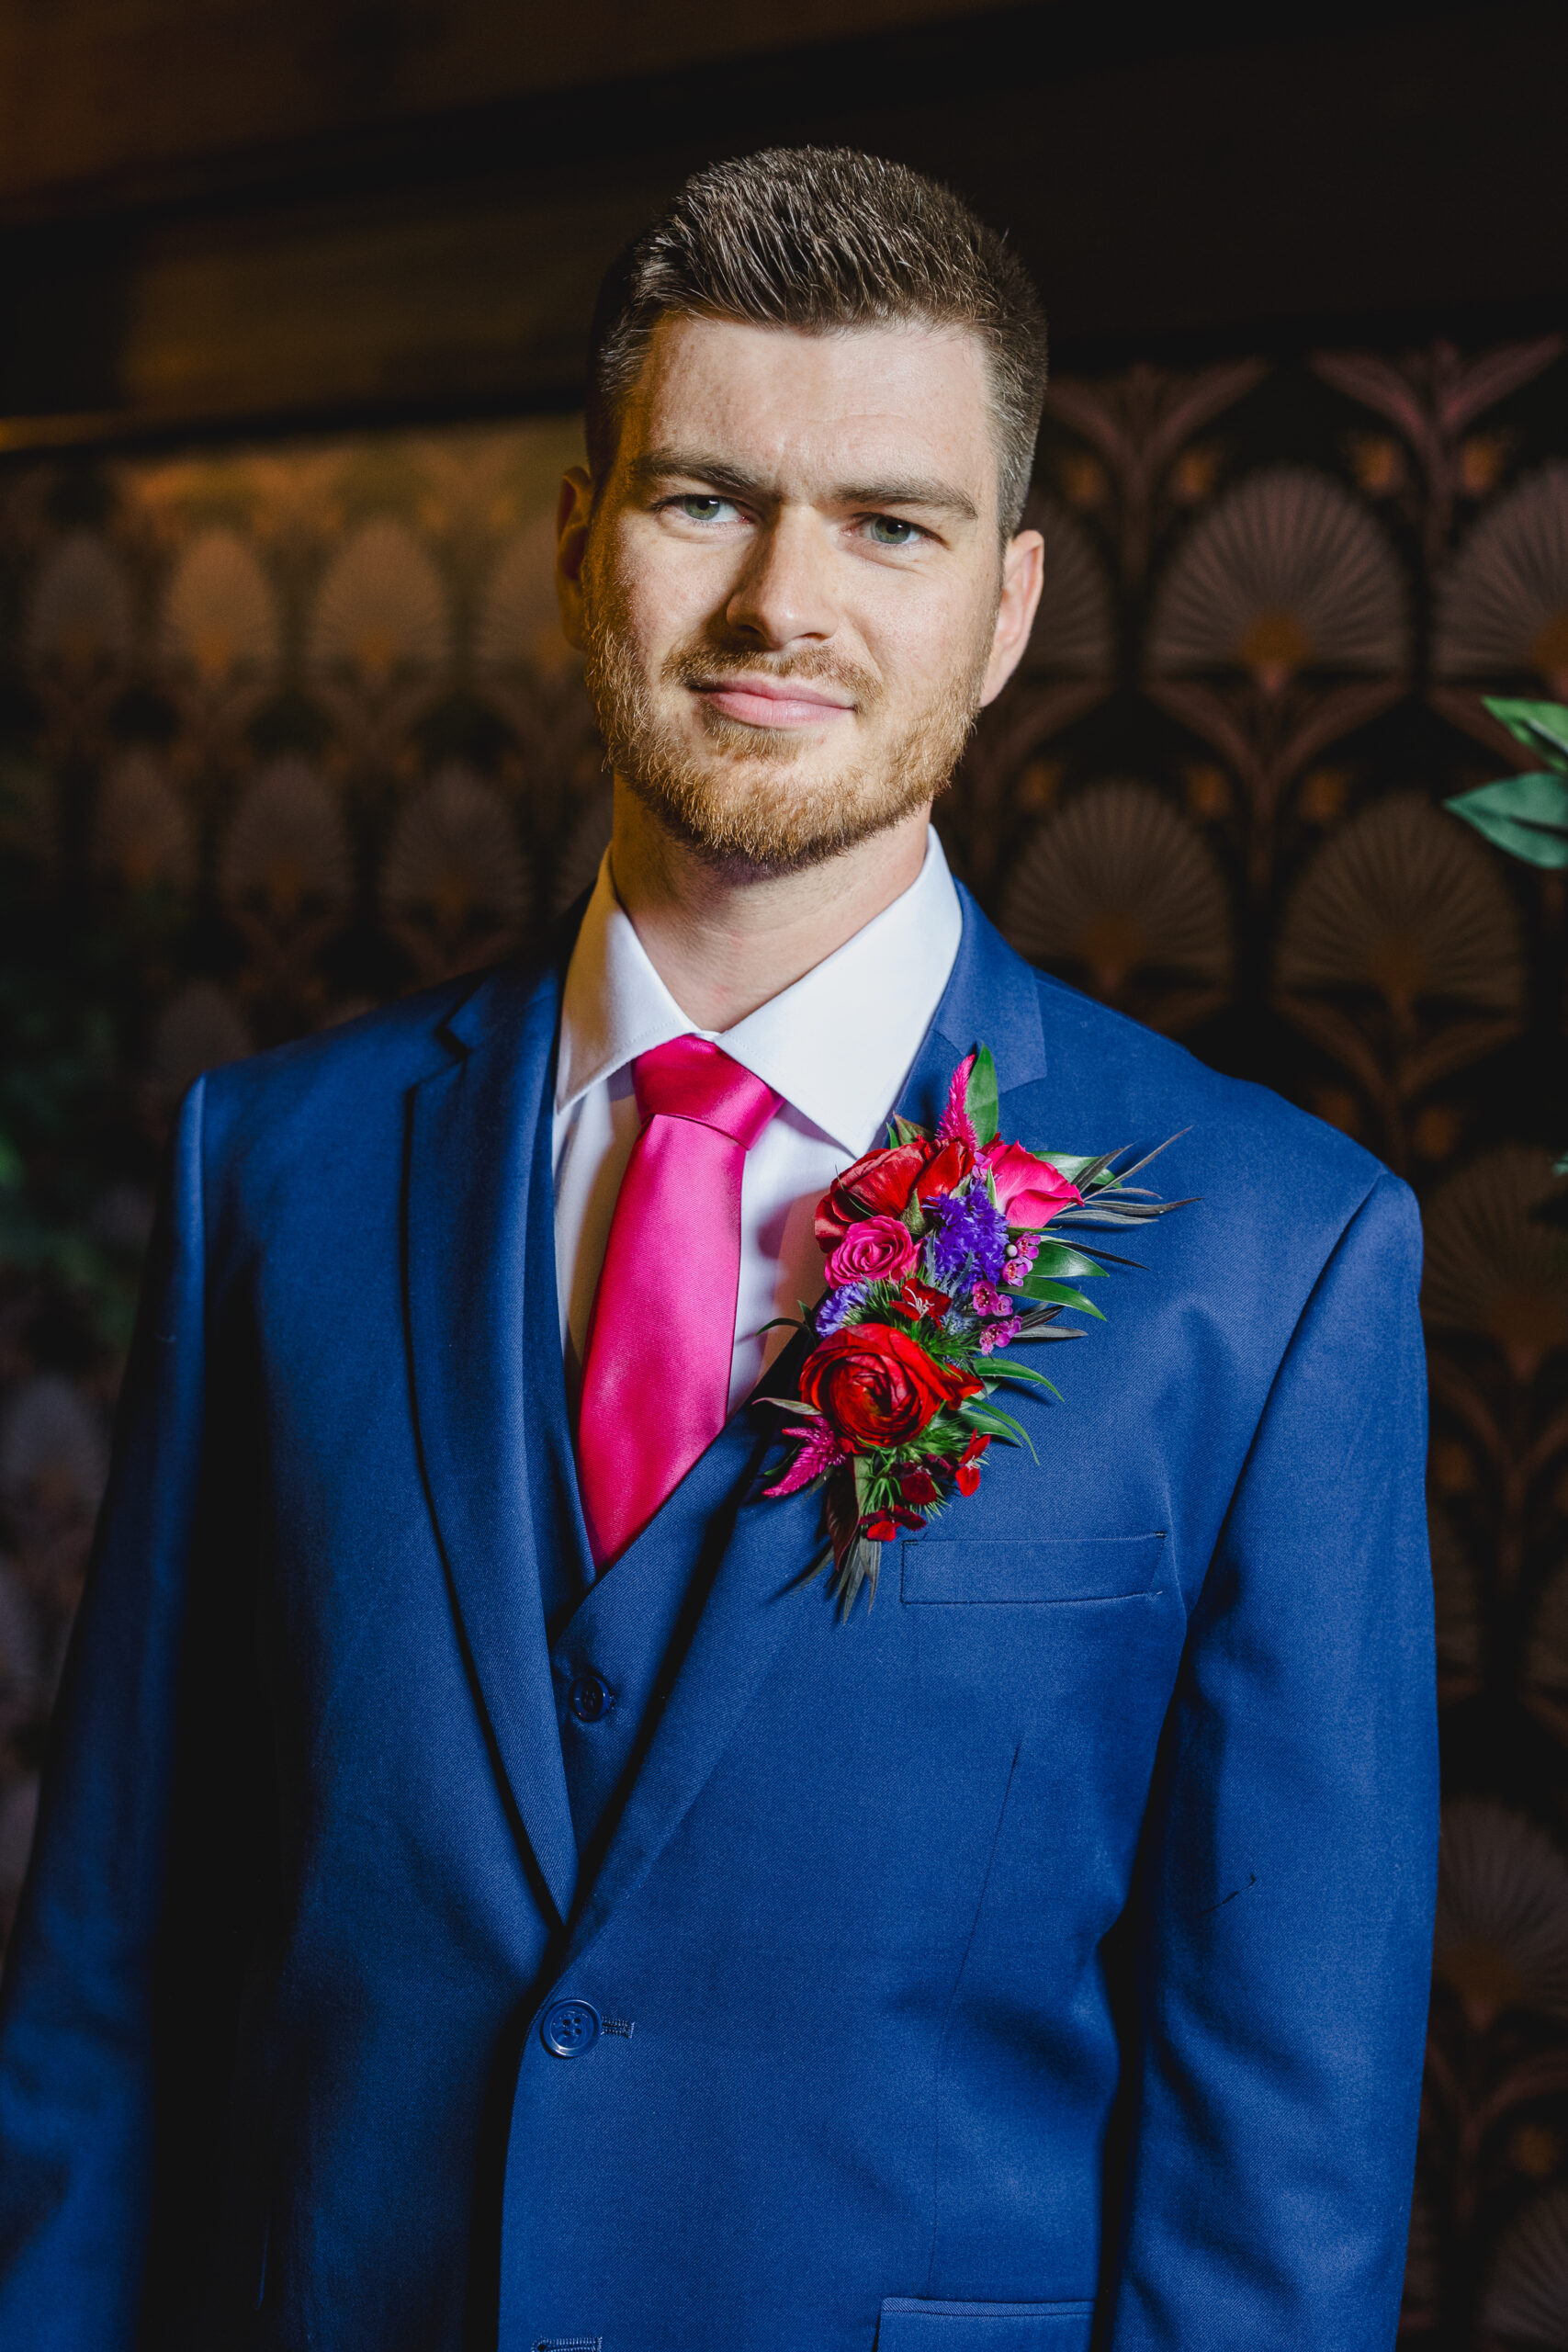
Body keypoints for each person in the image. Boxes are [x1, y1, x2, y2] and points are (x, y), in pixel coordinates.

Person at [0, 148, 1436, 2352]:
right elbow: (112, 1990)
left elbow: (1282, 2172)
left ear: (1007, 607)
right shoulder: (265, 1168)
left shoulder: (1278, 1257)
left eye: (889, 524)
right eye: (703, 499)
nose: (784, 601)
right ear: (579, 537)